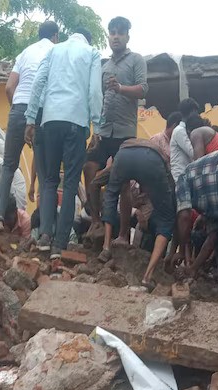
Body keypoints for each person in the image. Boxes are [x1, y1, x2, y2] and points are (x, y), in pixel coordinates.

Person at [24, 27, 102, 257]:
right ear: (88, 40)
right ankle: (60, 244)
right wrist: (97, 127)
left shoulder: (54, 50)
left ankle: (45, 235)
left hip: (49, 121)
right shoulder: (92, 53)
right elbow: (94, 92)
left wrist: (30, 119)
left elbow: (38, 83)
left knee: (48, 180)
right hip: (75, 123)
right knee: (70, 182)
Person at [84, 17, 148, 235]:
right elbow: (99, 99)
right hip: (104, 131)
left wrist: (120, 88)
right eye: (112, 33)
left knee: (122, 183)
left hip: (125, 132)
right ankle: (96, 221)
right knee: (89, 166)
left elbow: (143, 89)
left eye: (120, 33)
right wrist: (95, 130)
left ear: (127, 37)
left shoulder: (136, 60)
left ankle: (122, 234)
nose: (116, 37)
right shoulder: (105, 66)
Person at [0, 21, 59, 230]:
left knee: (8, 165)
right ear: (55, 36)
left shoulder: (24, 53)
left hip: (18, 108)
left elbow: (9, 87)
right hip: (41, 112)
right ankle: (45, 228)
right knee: (44, 173)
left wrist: (17, 112)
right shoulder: (56, 52)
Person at [98, 138, 176, 291]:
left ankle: (106, 247)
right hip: (152, 159)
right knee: (167, 218)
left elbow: (107, 191)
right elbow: (169, 198)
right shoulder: (166, 169)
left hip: (124, 154)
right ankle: (147, 276)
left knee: (111, 195)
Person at [174, 149, 218, 286]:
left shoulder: (183, 180)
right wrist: (193, 266)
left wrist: (181, 253)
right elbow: (213, 236)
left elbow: (183, 217)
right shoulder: (209, 200)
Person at [170, 98, 200, 181]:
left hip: (187, 175)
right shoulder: (180, 131)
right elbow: (193, 153)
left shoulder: (186, 129)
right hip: (181, 176)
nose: (198, 115)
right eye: (196, 112)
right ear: (192, 111)